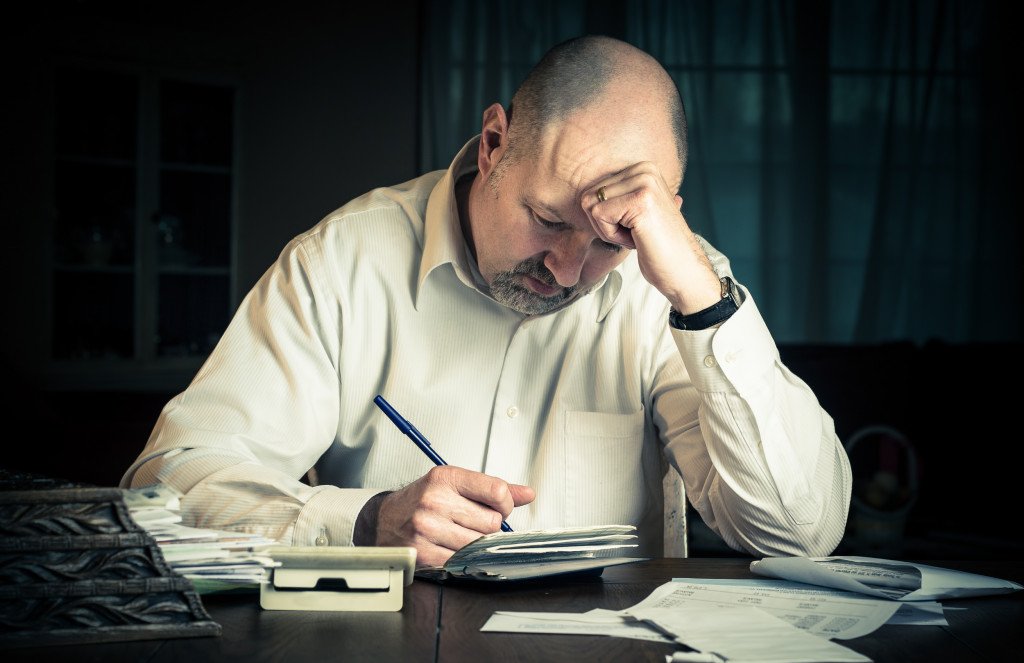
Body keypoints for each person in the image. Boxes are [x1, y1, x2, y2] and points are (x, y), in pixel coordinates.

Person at [121, 36, 851, 568]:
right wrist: (366, 520)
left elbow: (800, 534)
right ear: (494, 142)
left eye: (609, 240)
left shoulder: (678, 287)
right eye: (549, 219)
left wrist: (701, 299)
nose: (567, 270)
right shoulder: (340, 263)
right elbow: (166, 486)